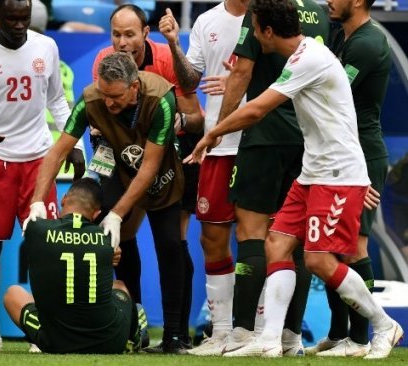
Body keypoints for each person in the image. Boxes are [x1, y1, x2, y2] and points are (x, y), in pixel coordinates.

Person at [187, 0, 403, 358]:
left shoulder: (310, 59)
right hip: (312, 171)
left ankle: (383, 325)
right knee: (277, 243)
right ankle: (271, 339)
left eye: (255, 31)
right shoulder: (303, 55)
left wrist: (211, 136)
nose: (252, 36)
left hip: (336, 173)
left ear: (268, 32)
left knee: (320, 260)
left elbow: (256, 108)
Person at [181, 0, 328, 356]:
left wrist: (216, 130)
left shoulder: (259, 13)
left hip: (258, 137)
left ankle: (242, 333)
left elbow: (244, 73)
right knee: (290, 241)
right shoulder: (320, 12)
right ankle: (286, 338)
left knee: (252, 234)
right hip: (306, 141)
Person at [26, 51, 187, 354]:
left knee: (169, 245)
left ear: (134, 87)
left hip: (161, 175)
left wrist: (117, 213)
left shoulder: (162, 97)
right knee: (118, 242)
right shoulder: (90, 99)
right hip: (117, 168)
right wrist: (36, 201)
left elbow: (150, 166)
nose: (109, 104)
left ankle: (174, 337)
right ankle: (134, 331)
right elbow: (57, 151)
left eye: (116, 97)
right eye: (105, 95)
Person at [0, 0, 85, 352]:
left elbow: (58, 101)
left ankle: (46, 332)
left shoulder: (46, 47)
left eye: (24, 18)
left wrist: (74, 143)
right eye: (11, 18)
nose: (18, 25)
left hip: (39, 162)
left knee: (47, 246)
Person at [91, 4, 203, 351]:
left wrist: (161, 129)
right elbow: (98, 119)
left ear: (145, 34)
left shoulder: (166, 60)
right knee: (119, 235)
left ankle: (176, 333)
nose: (122, 42)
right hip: (122, 158)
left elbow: (196, 118)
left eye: (129, 34)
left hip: (172, 157)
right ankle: (132, 325)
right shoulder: (103, 62)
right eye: (116, 34)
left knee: (171, 241)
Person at [159, 0, 247, 355]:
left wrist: (239, 79)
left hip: (259, 142)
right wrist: (173, 44)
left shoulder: (270, 15)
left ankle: (262, 331)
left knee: (260, 238)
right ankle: (222, 333)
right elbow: (189, 80)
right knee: (212, 238)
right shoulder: (207, 20)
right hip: (216, 144)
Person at [307, 0, 393, 357]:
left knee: (353, 246)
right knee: (331, 247)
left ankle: (362, 338)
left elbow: (329, 95)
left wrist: (362, 175)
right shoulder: (344, 35)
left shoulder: (368, 43)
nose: (329, 0)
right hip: (342, 155)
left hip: (361, 156)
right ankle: (340, 333)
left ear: (358, 1)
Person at [5, 178, 145, 354]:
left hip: (57, 342)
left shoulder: (37, 230)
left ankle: (45, 333)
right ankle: (135, 333)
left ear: (63, 199)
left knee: (13, 294)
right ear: (96, 214)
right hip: (110, 341)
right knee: (120, 286)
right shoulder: (106, 240)